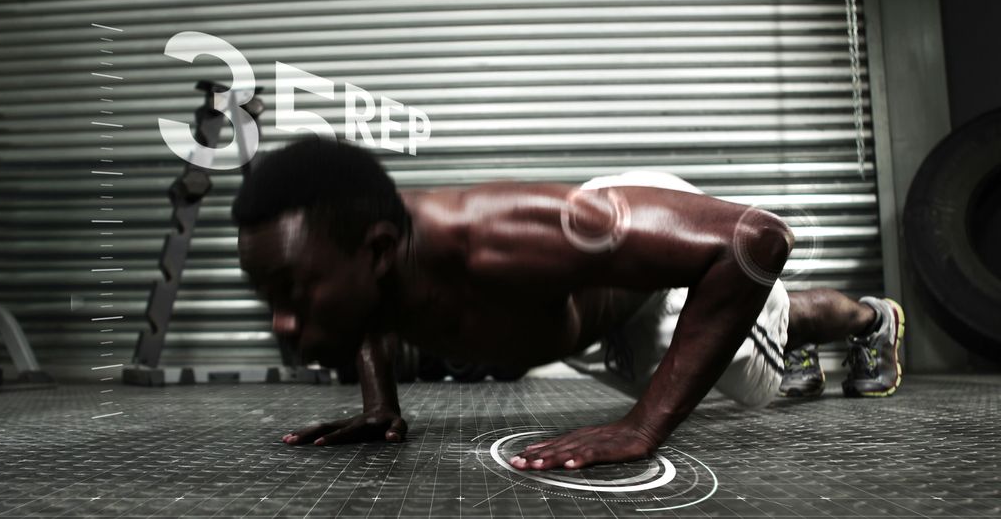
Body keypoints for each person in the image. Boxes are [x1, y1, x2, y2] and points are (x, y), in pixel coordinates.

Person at [233, 138, 904, 471]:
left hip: (650, 277)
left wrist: (642, 428)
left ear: (380, 251)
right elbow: (363, 306)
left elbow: (756, 240)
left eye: (294, 294)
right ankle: (797, 340)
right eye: (271, 297)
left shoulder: (495, 241)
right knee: (736, 348)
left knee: (757, 364)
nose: (282, 323)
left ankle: (872, 319)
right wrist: (380, 407)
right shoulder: (368, 260)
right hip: (594, 306)